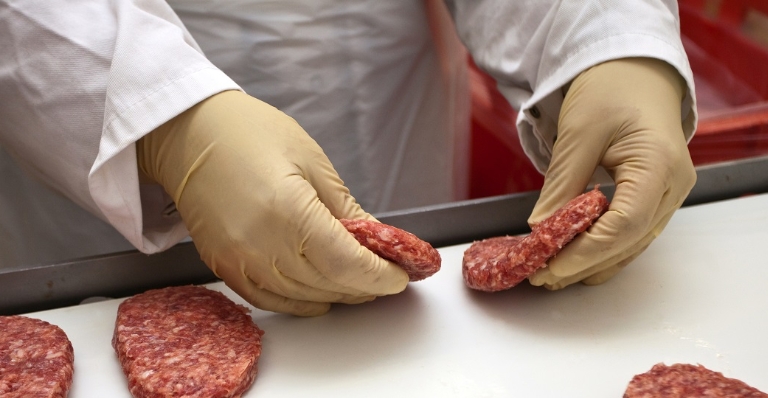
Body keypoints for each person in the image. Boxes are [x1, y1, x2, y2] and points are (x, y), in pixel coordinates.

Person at [0, 0, 696, 316]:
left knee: (390, 309)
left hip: (378, 77)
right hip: (84, 136)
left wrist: (609, 37)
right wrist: (161, 119)